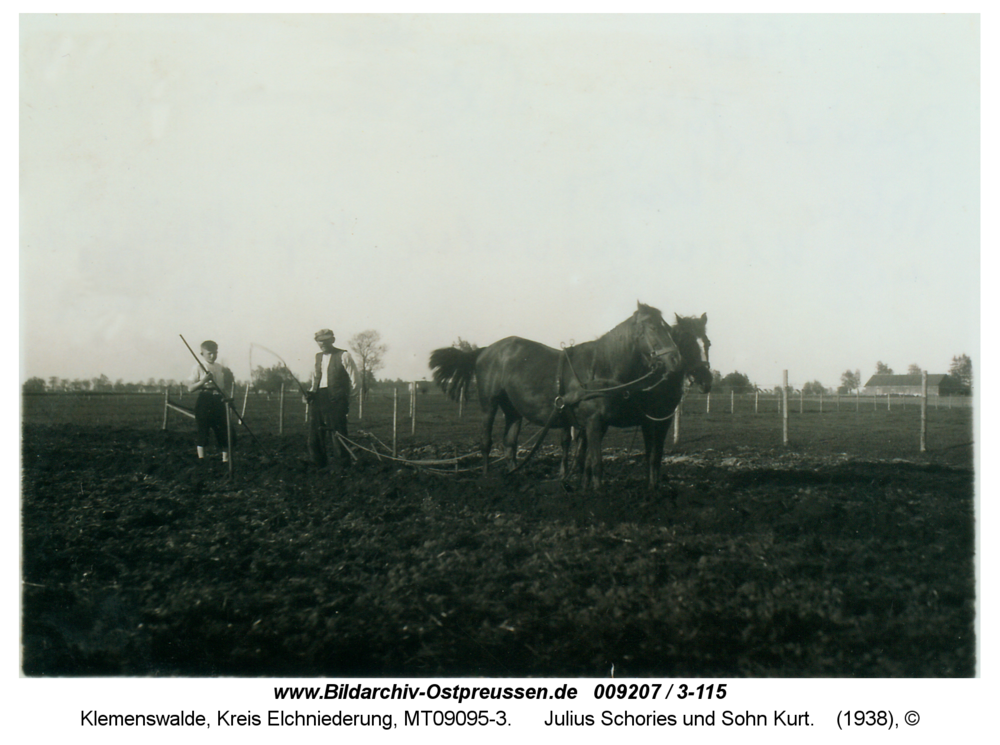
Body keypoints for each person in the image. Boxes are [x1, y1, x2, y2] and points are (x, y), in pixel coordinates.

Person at [307, 329, 358, 469]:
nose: (322, 344)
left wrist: (346, 399)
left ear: (333, 340)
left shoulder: (344, 355)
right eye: (319, 341)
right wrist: (312, 392)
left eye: (325, 340)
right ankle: (318, 463)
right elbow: (315, 378)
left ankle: (343, 466)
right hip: (319, 397)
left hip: (336, 398)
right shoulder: (317, 357)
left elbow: (355, 381)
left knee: (338, 433)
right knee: (315, 433)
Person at [187, 340, 235, 463]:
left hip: (218, 400)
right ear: (202, 354)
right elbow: (190, 388)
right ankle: (201, 460)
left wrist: (228, 399)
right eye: (209, 353)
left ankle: (225, 460)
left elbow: (222, 387)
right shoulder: (198, 367)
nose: (213, 356)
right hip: (205, 400)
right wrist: (203, 380)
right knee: (203, 430)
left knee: (223, 430)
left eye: (215, 353)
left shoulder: (219, 367)